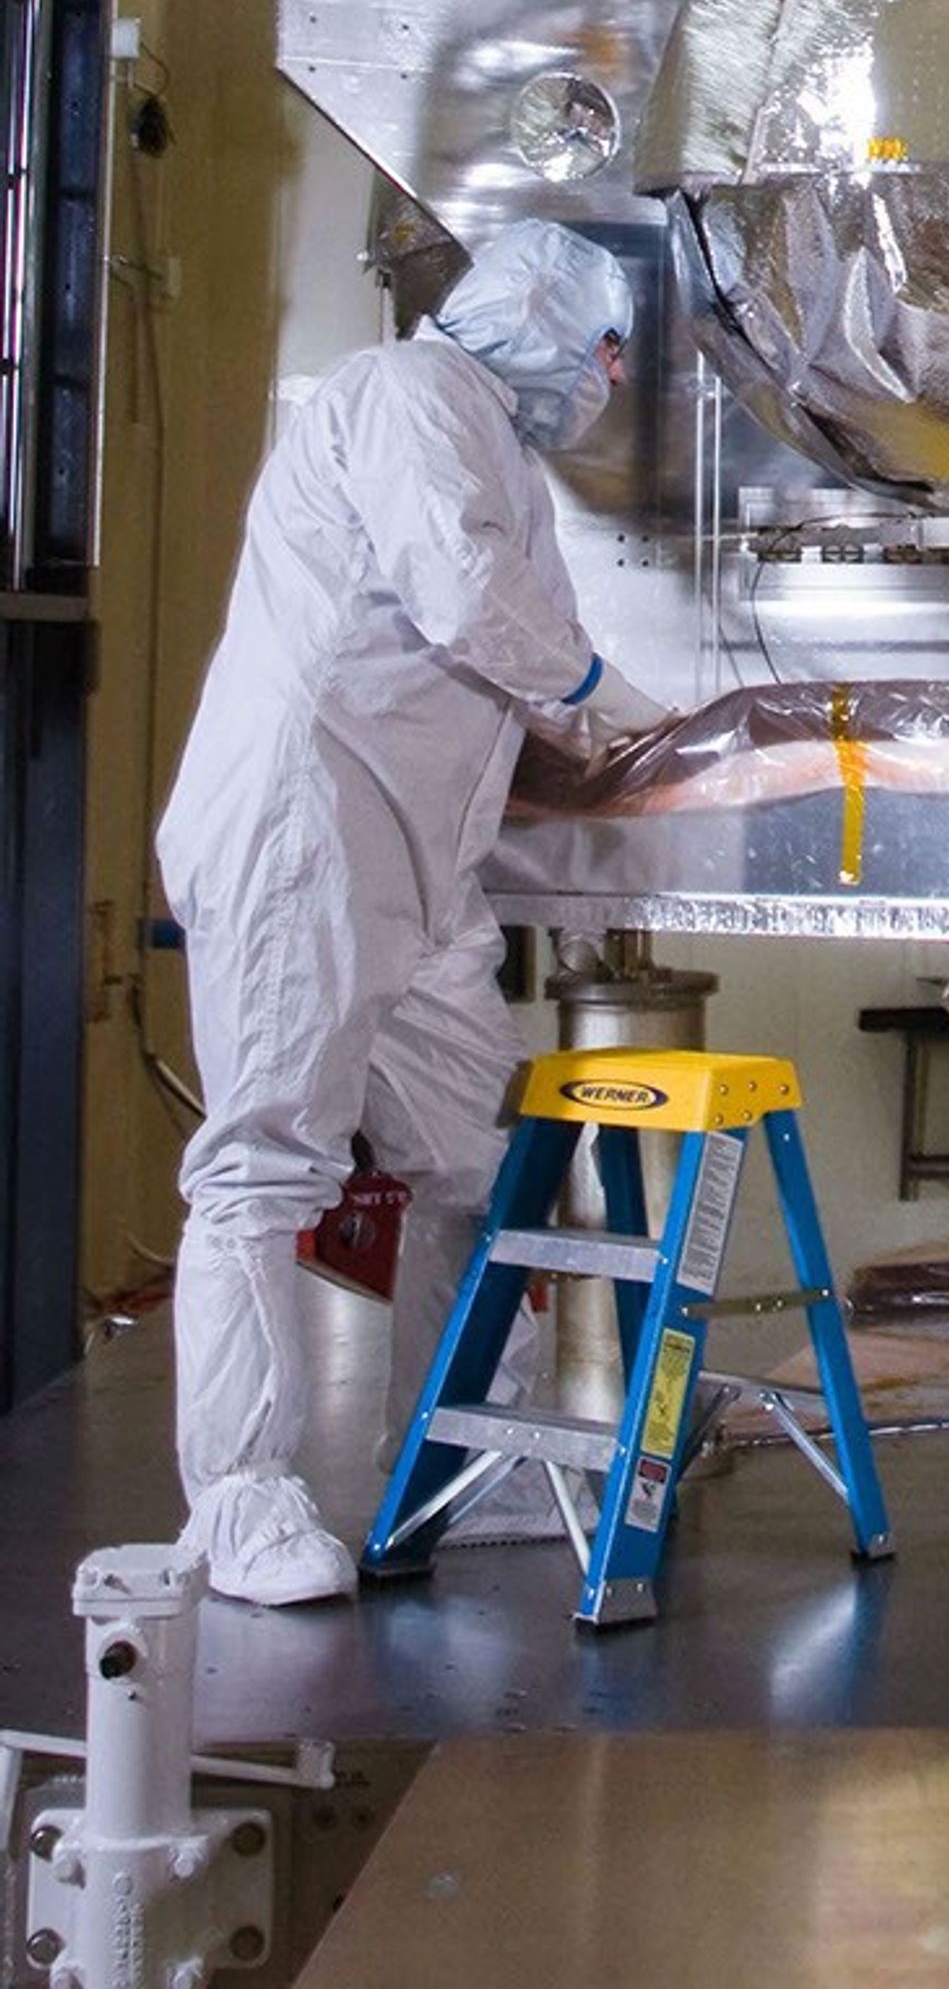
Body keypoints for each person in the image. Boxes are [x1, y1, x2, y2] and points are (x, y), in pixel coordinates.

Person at [161, 220, 671, 1608]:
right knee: (268, 1162)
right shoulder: (400, 396)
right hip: (303, 834)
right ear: (532, 317)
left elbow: (531, 660)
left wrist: (653, 743)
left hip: (418, 871)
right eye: (603, 348)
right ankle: (243, 1501)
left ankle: (470, 1454)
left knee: (470, 1159)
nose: (611, 378)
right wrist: (615, 708)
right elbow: (471, 602)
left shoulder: (506, 453)